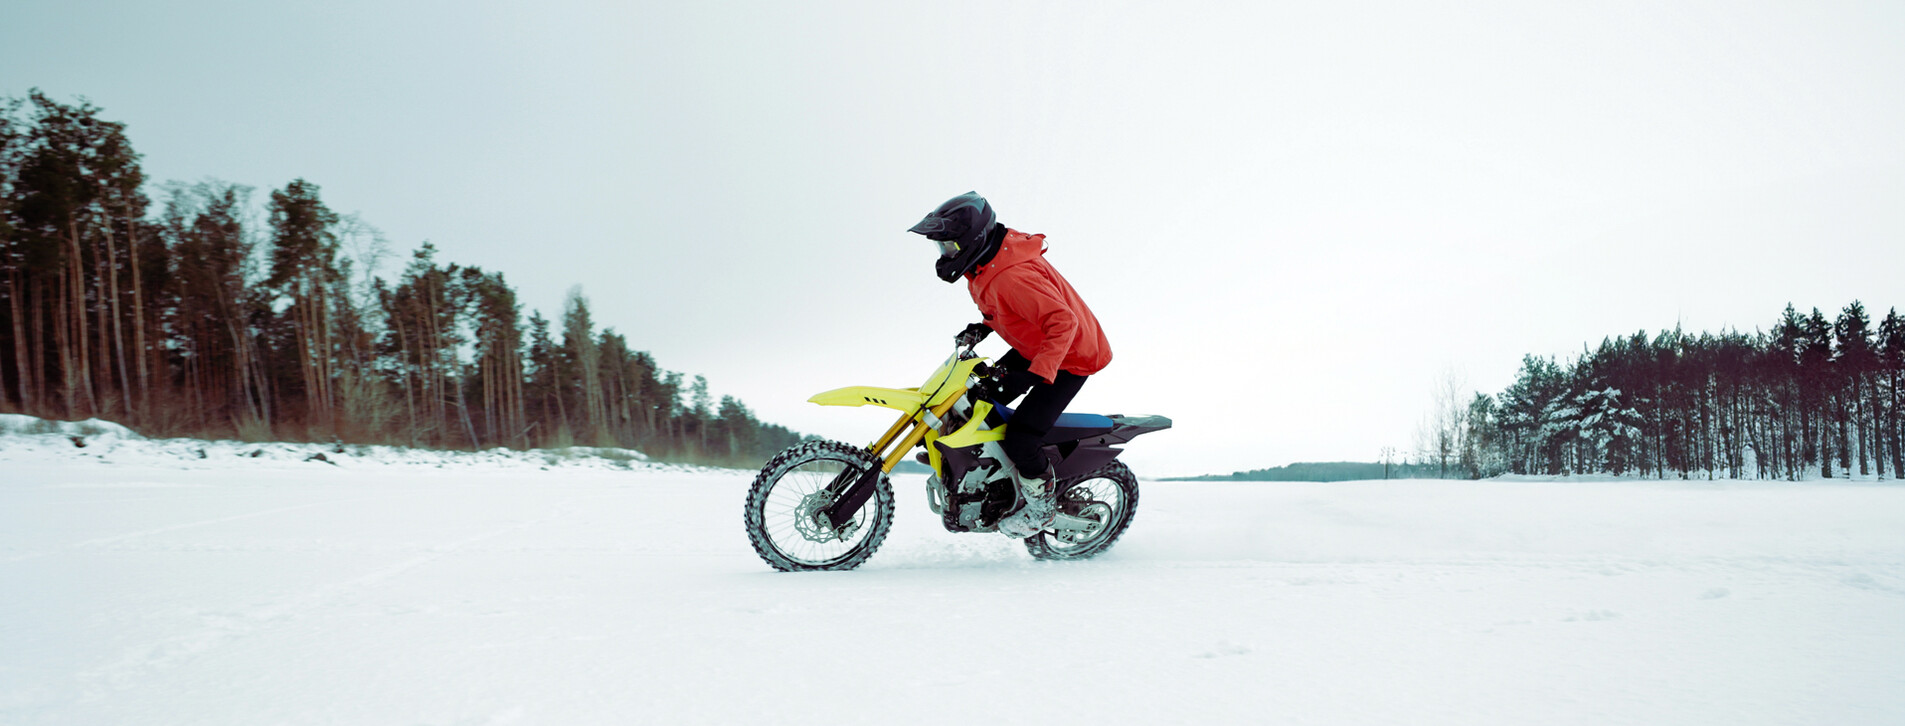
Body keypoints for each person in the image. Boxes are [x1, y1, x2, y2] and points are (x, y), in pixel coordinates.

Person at [907, 191, 1112, 536]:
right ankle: (973, 468)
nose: (945, 254)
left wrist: (1033, 376)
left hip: (1071, 355)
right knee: (974, 398)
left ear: (972, 240)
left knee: (1022, 438)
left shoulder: (1011, 274)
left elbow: (1063, 323)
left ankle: (1041, 509)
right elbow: (1012, 310)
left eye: (949, 246)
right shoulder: (987, 264)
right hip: (1036, 343)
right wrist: (983, 327)